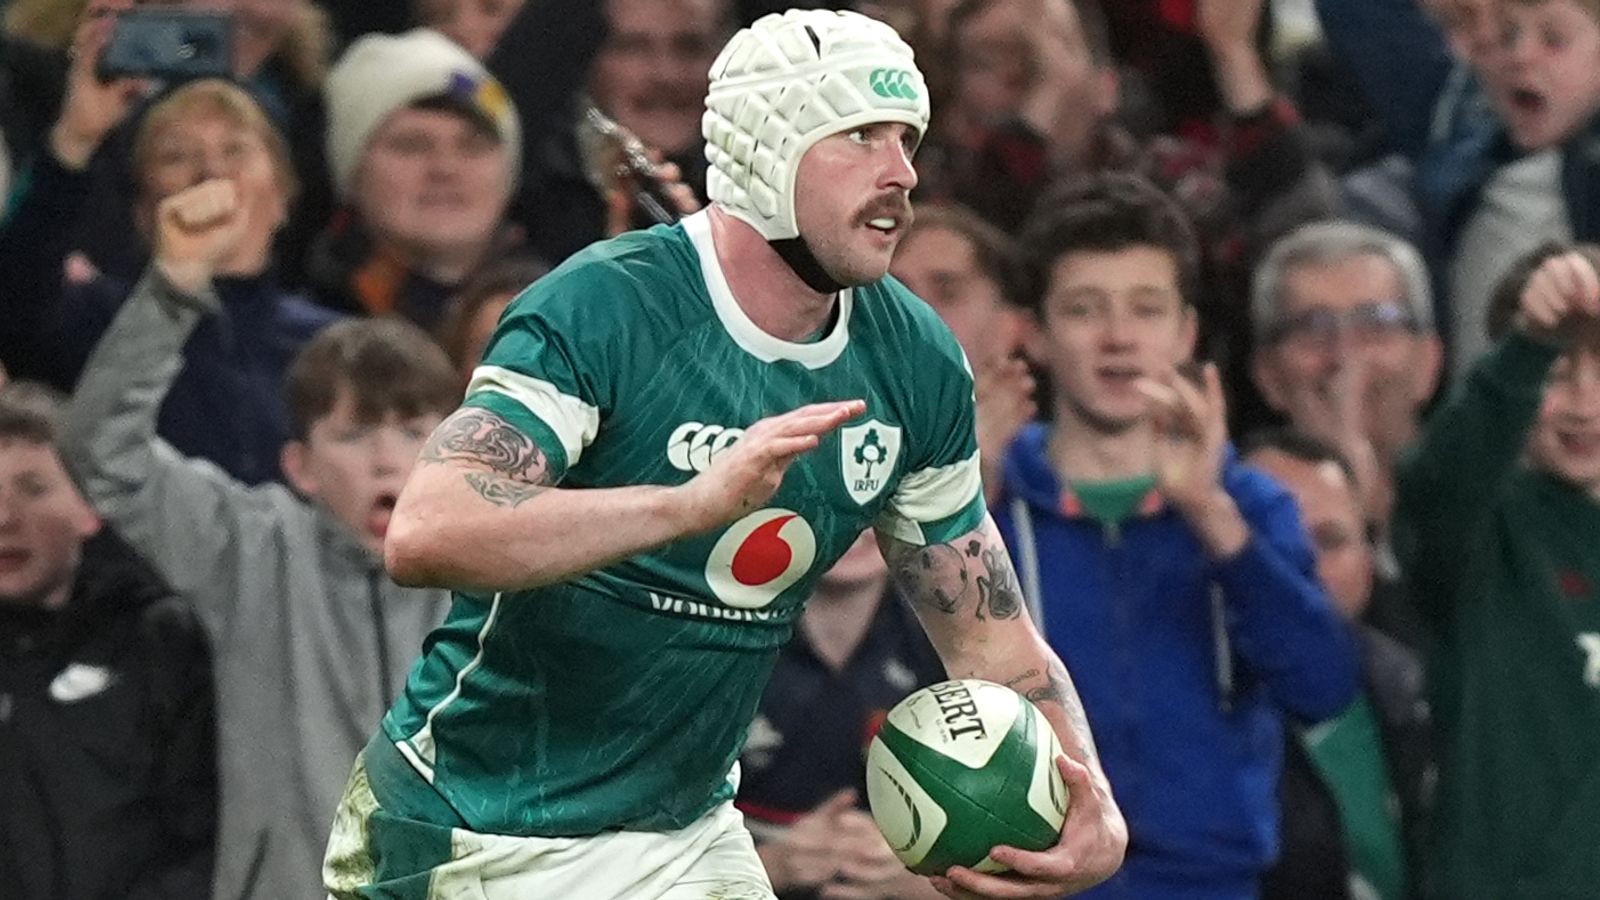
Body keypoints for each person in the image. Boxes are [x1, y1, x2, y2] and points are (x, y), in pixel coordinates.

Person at [323, 10, 1127, 900]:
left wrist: (1090, 795)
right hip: (469, 830)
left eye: (907, 139)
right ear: (766, 151)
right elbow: (429, 530)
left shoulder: (916, 359)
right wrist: (683, 508)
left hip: (685, 834)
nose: (901, 172)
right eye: (861, 135)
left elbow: (990, 642)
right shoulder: (605, 305)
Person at [58, 177, 459, 900]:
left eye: (411, 431)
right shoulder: (248, 546)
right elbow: (100, 452)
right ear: (300, 466)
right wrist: (173, 287)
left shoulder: (497, 565)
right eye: (353, 434)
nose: (386, 460)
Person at [994, 171, 1358, 899]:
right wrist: (963, 501)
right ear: (1035, 334)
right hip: (1035, 884)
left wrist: (1210, 514)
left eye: (1147, 308)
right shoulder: (989, 504)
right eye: (1084, 309)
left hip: (1213, 883)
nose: (1119, 337)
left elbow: (1322, 687)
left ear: (1186, 332)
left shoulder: (1246, 505)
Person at [0, 16, 337, 486]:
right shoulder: (98, 321)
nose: (211, 171)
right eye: (176, 155)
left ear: (282, 195)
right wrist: (76, 138)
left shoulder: (334, 347)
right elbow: (15, 309)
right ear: (142, 210)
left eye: (236, 150)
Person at [1391, 243, 1600, 899]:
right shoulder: (1483, 530)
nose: (1584, 402)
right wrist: (1529, 343)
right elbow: (1435, 488)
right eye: (1557, 372)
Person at [0, 381, 217, 900]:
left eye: (33, 488)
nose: (4, 518)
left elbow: (202, 834)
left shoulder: (160, 641)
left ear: (90, 506)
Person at [1246, 430, 1435, 900]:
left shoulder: (1421, 694)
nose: (1303, 561)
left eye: (1329, 540)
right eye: (1272, 534)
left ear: (1369, 561)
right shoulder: (1184, 702)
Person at [736, 533, 947, 900]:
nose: (857, 527)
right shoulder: (715, 644)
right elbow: (645, 858)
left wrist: (920, 884)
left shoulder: (953, 640)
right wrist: (771, 866)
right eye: (843, 508)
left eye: (874, 508)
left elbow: (1012, 854)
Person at [309, 27, 523, 333]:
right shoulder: (296, 338)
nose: (445, 168)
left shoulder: (567, 316)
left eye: (473, 146)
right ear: (353, 173)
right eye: (412, 145)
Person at [891, 203, 1035, 501]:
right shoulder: (818, 451)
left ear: (1010, 327)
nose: (915, 313)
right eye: (893, 294)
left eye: (947, 293)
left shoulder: (1057, 467)